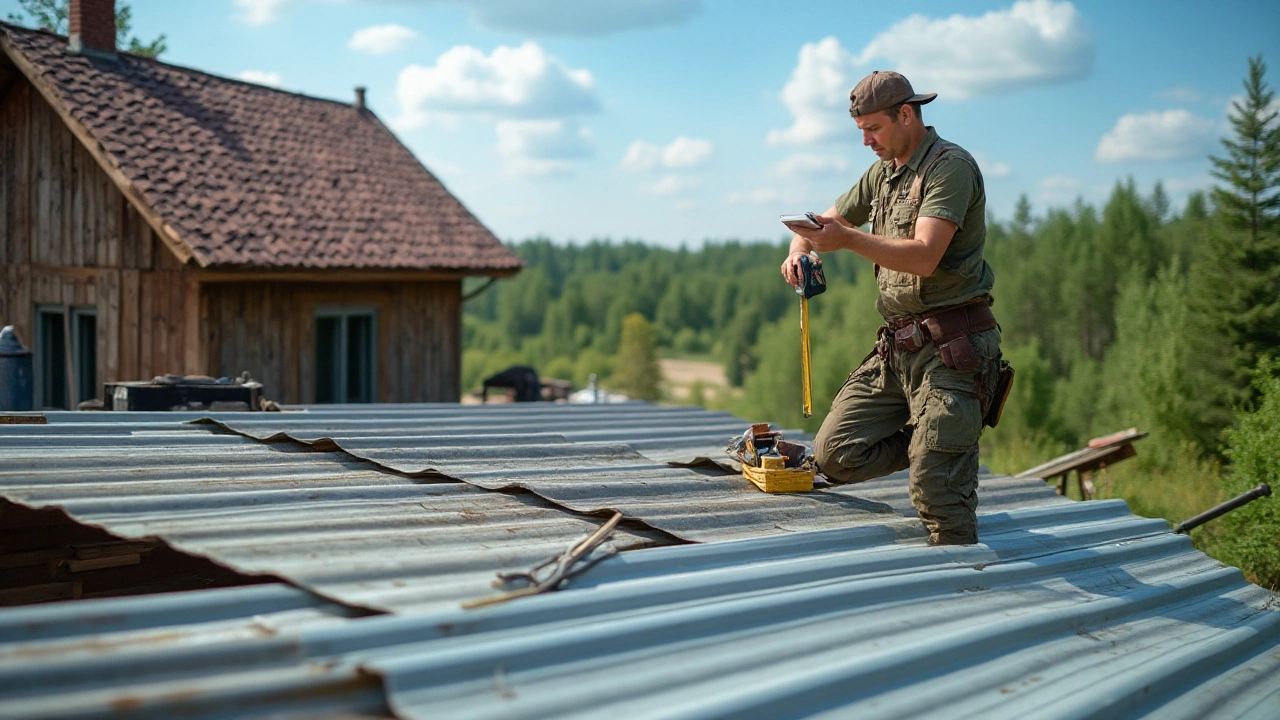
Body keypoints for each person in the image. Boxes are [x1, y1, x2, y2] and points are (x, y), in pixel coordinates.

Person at [780, 70, 1008, 546]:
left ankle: (967, 574)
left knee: (936, 495)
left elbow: (925, 255)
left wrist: (846, 241)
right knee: (834, 456)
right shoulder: (884, 173)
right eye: (860, 130)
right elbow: (823, 222)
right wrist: (799, 249)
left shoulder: (949, 167)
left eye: (873, 129)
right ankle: (935, 438)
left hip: (953, 349)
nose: (866, 141)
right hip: (899, 349)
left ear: (906, 115)